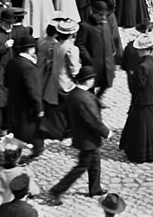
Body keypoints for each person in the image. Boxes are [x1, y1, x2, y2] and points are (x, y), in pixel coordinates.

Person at [45, 65, 108, 203]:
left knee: (95, 162)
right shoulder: (83, 98)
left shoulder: (74, 93)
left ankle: (95, 188)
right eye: (92, 78)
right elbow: (92, 119)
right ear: (87, 80)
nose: (93, 81)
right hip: (87, 138)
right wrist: (106, 132)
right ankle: (57, 190)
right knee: (81, 167)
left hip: (83, 136)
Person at [118, 32, 153, 162]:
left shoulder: (142, 67)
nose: (138, 51)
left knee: (142, 128)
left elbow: (138, 86)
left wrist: (133, 75)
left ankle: (141, 153)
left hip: (144, 100)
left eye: (140, 49)